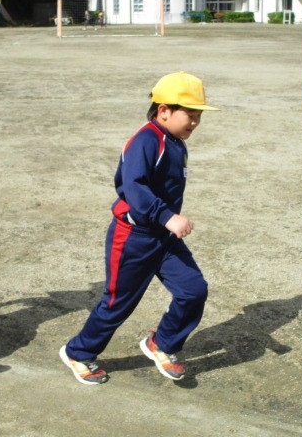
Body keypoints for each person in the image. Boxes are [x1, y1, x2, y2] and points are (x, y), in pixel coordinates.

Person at [59, 71, 219, 384]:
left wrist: (166, 222)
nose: (195, 122)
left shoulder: (175, 142)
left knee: (193, 290)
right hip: (133, 239)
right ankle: (78, 352)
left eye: (199, 116)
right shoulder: (146, 140)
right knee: (117, 304)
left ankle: (162, 343)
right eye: (190, 114)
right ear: (164, 110)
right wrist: (167, 216)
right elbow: (134, 187)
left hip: (164, 238)